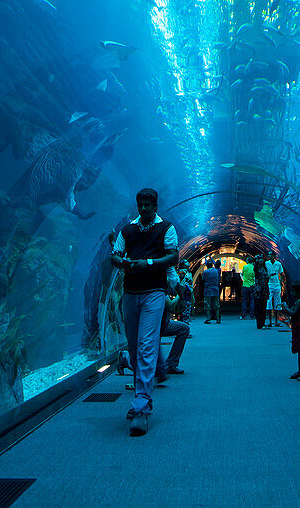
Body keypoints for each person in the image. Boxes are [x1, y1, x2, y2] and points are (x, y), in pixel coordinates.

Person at [111, 187, 178, 437]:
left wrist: (149, 263)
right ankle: (144, 398)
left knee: (147, 345)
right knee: (134, 346)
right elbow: (115, 257)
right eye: (140, 204)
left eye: (147, 205)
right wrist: (125, 263)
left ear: (155, 205)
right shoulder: (127, 229)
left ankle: (140, 406)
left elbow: (173, 257)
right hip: (131, 293)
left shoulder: (166, 228)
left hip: (154, 292)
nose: (143, 209)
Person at [278, 281, 300, 380]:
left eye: (293, 291)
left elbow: (293, 313)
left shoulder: (299, 302)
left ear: (298, 292)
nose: (291, 293)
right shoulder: (298, 301)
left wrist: (286, 308)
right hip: (299, 326)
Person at [156, 285, 189, 375]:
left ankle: (170, 364)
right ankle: (126, 359)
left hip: (163, 323)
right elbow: (170, 306)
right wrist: (180, 294)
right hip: (154, 325)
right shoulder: (158, 286)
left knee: (184, 328)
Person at [265, 253, 285, 328]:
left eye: (271, 255)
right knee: (269, 302)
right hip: (269, 284)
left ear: (274, 256)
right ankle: (270, 321)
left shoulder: (278, 264)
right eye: (269, 255)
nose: (269, 256)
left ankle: (276, 321)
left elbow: (282, 273)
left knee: (277, 302)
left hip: (277, 285)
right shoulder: (266, 263)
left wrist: (281, 282)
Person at [253, 254, 269, 329]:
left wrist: (267, 277)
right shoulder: (256, 268)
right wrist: (256, 260)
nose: (261, 260)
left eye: (262, 259)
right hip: (258, 290)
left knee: (263, 307)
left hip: (264, 290)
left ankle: (263, 323)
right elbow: (255, 269)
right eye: (260, 259)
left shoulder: (264, 268)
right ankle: (259, 324)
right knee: (259, 308)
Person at [202, 258, 221, 323]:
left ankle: (208, 318)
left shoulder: (206, 272)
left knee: (207, 305)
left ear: (207, 265)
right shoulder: (216, 270)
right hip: (216, 290)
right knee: (216, 305)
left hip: (208, 290)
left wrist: (205, 258)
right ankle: (218, 318)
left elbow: (203, 279)